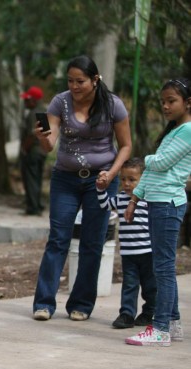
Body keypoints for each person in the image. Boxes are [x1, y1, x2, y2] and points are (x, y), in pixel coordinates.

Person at [32, 55, 132, 322]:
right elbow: (50, 144)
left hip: (101, 180)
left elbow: (125, 145)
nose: (74, 86)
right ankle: (43, 303)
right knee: (58, 239)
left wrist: (112, 174)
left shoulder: (113, 105)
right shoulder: (60, 102)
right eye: (70, 81)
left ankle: (81, 304)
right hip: (65, 179)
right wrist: (42, 138)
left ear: (95, 80)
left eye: (80, 81)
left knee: (92, 241)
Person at [124, 78, 191, 346]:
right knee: (162, 266)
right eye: (163, 101)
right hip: (158, 202)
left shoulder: (187, 130)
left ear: (188, 103)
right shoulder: (175, 131)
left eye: (171, 101)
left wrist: (147, 159)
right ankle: (172, 323)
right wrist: (135, 199)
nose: (165, 106)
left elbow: (159, 164)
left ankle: (160, 327)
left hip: (168, 204)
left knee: (162, 267)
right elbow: (153, 173)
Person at [96, 158, 155, 329]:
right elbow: (105, 205)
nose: (126, 184)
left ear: (143, 180)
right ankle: (127, 314)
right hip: (128, 254)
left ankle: (149, 312)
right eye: (123, 179)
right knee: (129, 285)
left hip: (148, 252)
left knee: (150, 286)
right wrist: (100, 189)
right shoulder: (121, 198)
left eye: (132, 180)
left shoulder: (148, 199)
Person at [19, 86, 48, 216]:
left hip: (33, 151)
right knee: (37, 179)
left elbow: (33, 134)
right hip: (42, 151)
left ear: (34, 100)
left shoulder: (33, 113)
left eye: (27, 100)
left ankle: (33, 207)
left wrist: (24, 149)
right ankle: (38, 204)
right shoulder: (43, 112)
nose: (25, 102)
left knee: (30, 179)